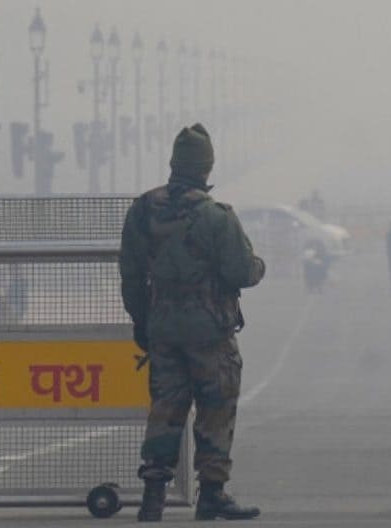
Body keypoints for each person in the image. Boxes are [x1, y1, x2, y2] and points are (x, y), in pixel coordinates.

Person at [119, 123, 266, 522]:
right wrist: (259, 266)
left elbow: (131, 274)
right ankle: (212, 493)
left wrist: (142, 323)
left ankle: (153, 496)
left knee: (166, 408)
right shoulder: (217, 216)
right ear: (206, 167)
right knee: (216, 407)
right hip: (210, 332)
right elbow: (241, 271)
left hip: (163, 329)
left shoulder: (143, 210)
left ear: (174, 163)